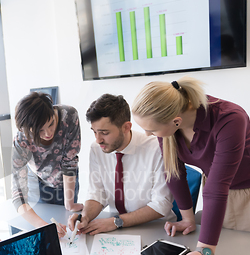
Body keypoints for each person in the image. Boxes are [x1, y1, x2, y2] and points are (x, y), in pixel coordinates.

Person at [131, 76, 250, 255]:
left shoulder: (230, 118)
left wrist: (205, 251)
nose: (148, 134)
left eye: (151, 130)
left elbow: (217, 187)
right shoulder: (169, 125)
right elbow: (174, 172)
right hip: (220, 195)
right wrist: (187, 218)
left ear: (176, 121)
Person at [67, 94, 175, 236]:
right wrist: (85, 216)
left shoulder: (157, 148)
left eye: (104, 133)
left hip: (157, 229)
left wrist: (116, 222)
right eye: (94, 132)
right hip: (116, 229)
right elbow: (97, 193)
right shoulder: (96, 148)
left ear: (126, 127)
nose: (98, 140)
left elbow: (161, 204)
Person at [12, 92, 83, 235]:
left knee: (68, 230)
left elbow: (69, 162)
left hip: (66, 180)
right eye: (40, 130)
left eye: (51, 124)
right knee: (42, 233)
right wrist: (43, 226)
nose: (48, 133)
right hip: (37, 183)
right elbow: (18, 194)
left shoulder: (69, 116)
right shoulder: (21, 139)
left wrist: (69, 203)